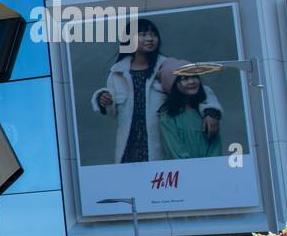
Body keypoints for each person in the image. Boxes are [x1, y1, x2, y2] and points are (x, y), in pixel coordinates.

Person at [91, 18, 220, 164]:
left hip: (163, 145)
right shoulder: (117, 73)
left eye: (153, 34)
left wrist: (211, 112)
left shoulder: (167, 66)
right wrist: (102, 99)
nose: (150, 38)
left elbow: (198, 89)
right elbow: (111, 112)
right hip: (128, 148)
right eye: (143, 34)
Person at [159, 74, 225, 159]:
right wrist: (192, 168)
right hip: (182, 169)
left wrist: (211, 166)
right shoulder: (168, 114)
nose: (191, 81)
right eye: (184, 79)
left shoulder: (207, 113)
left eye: (194, 77)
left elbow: (215, 147)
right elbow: (174, 149)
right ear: (174, 84)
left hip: (209, 169)